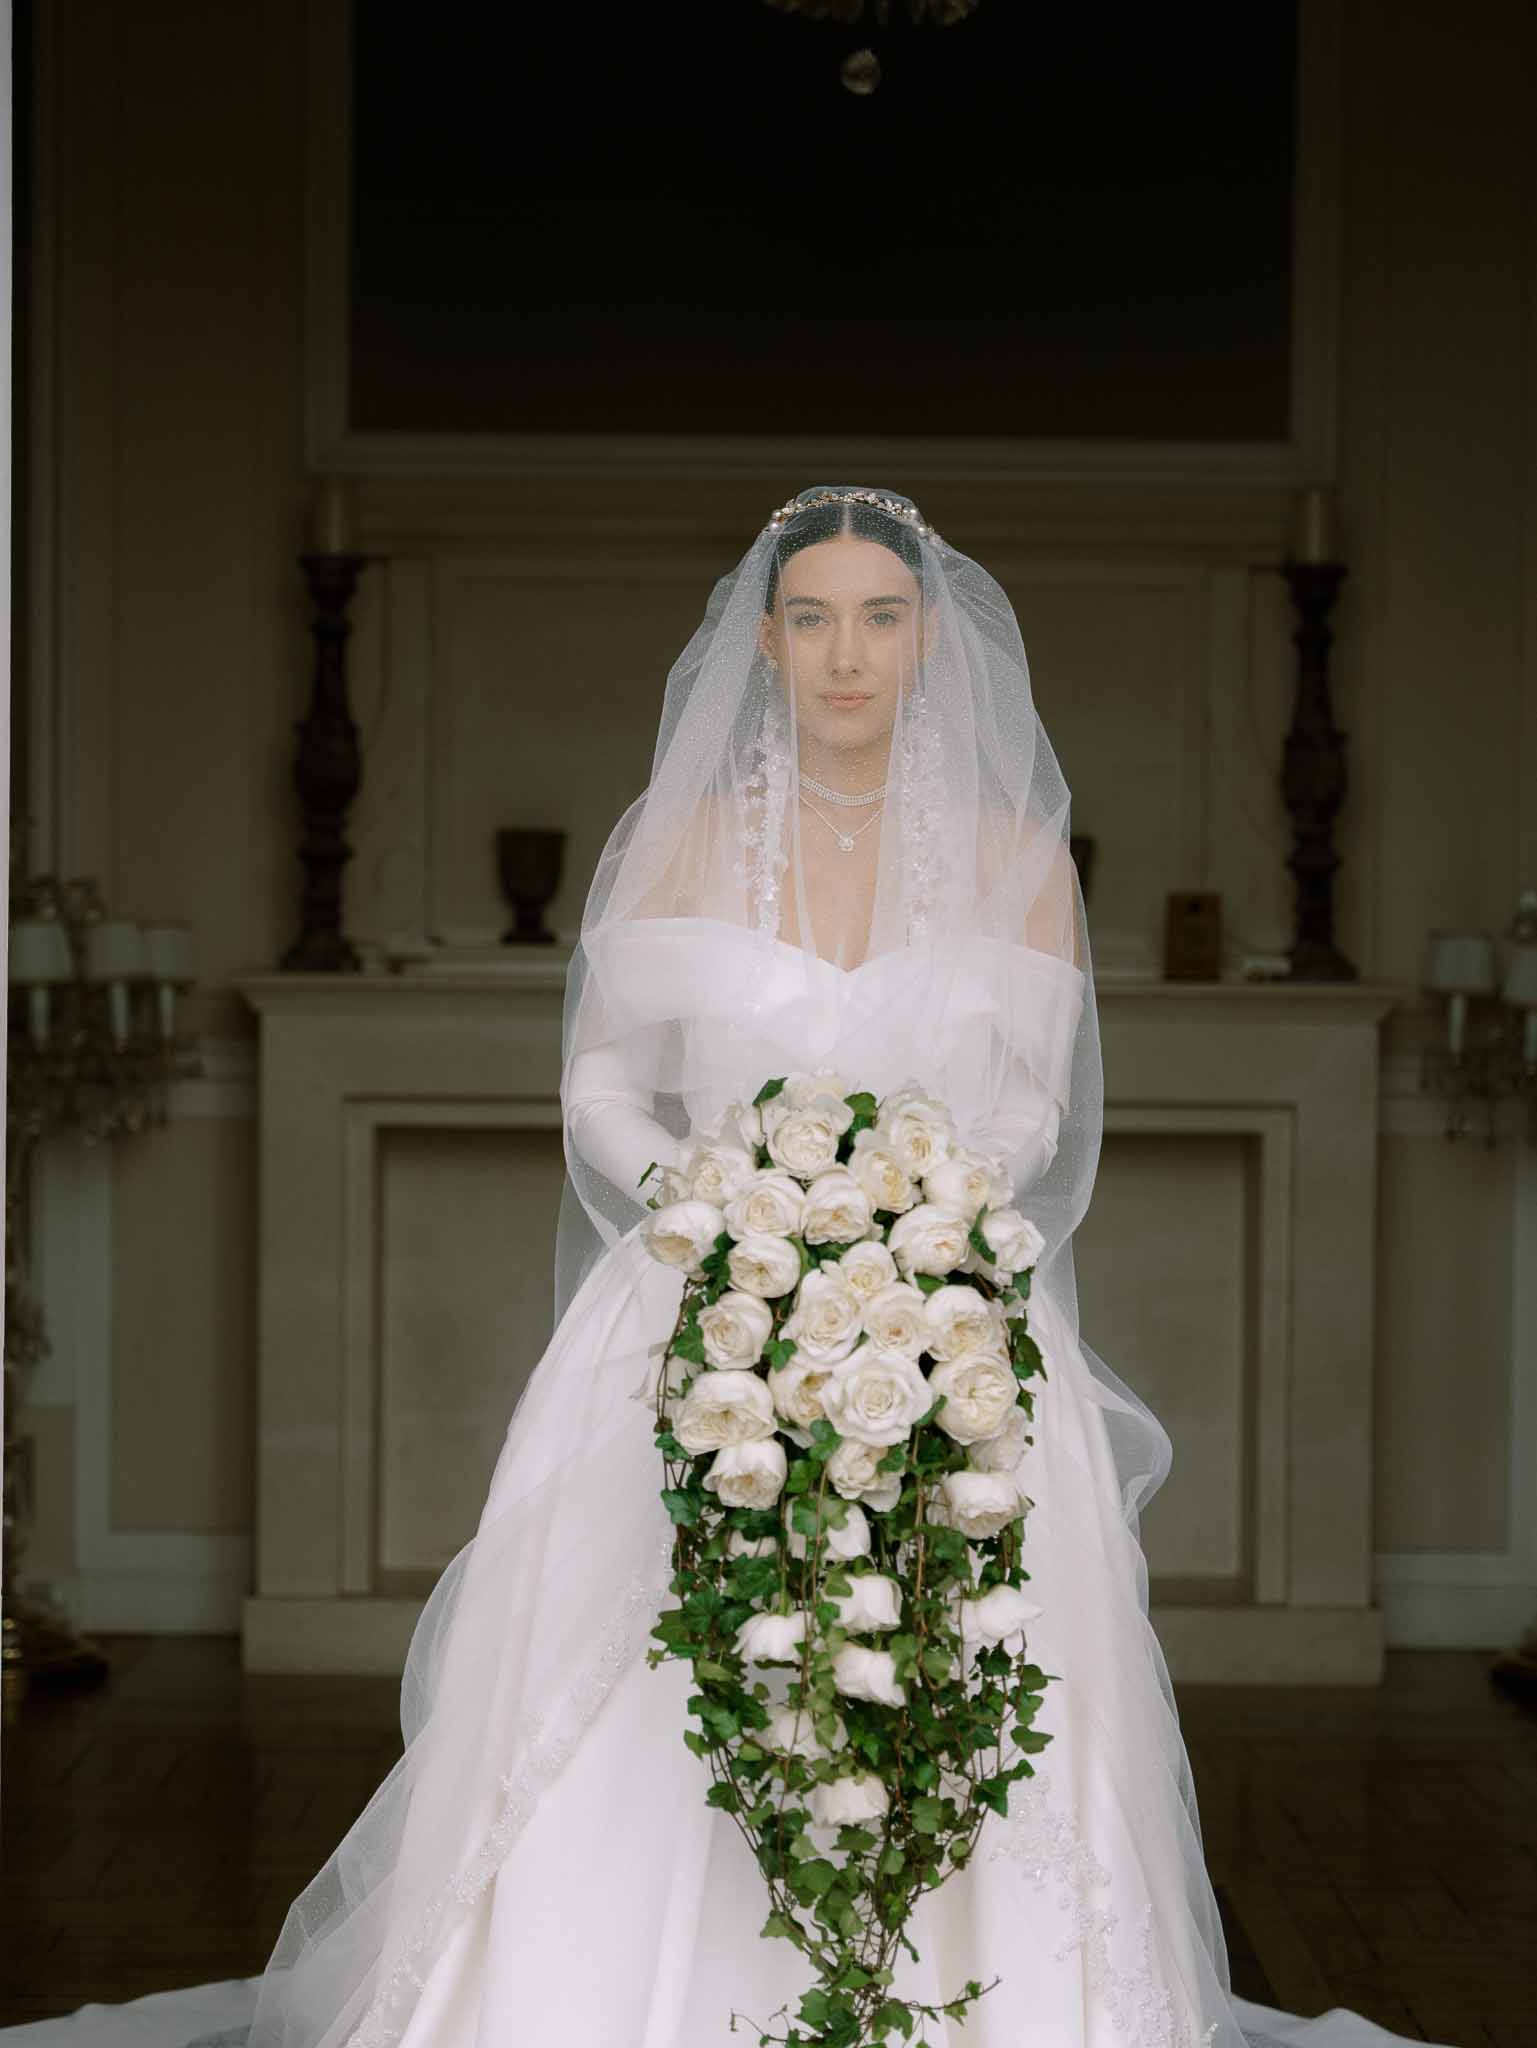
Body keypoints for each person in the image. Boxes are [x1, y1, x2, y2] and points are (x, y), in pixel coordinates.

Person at [2, 487, 1439, 2048]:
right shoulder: (673, 844)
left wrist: (919, 1214)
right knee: (646, 1664)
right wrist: (721, 1199)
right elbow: (599, 1090)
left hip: (941, 1315)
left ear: (926, 641)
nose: (846, 654)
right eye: (813, 618)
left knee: (968, 1654)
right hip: (694, 1305)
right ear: (765, 643)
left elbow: (1035, 1103)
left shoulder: (1021, 860)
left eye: (880, 619)